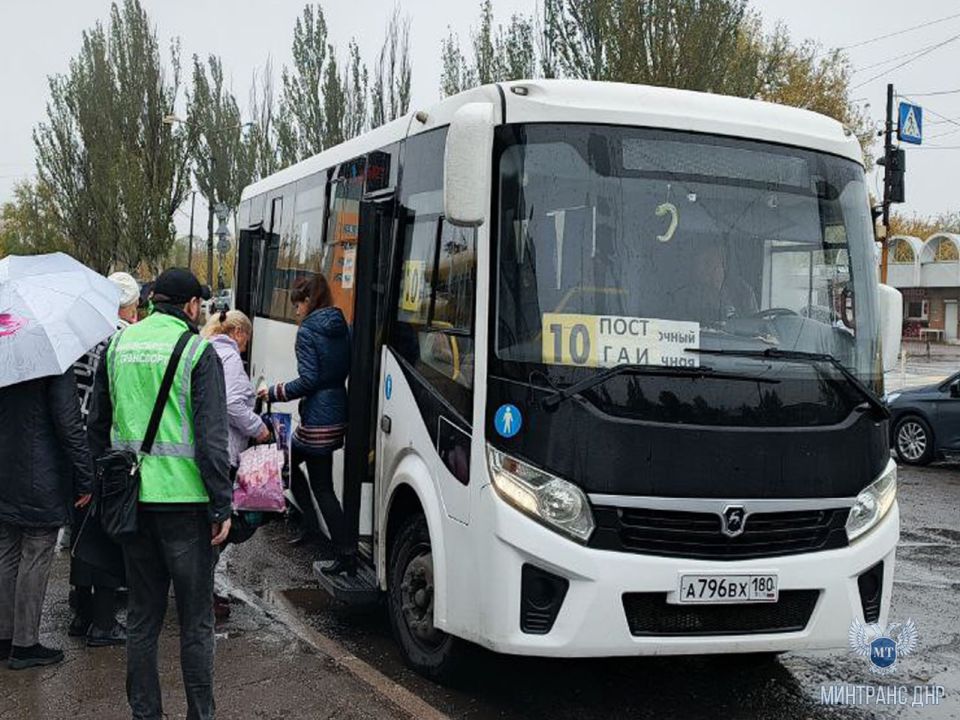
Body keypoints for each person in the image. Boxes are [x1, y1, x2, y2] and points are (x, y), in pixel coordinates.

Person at [87, 267, 232, 720]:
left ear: (152, 300)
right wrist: (222, 504)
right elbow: (211, 442)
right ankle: (199, 715)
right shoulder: (197, 351)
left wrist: (104, 487)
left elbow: (96, 427)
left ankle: (146, 714)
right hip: (186, 507)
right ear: (191, 307)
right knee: (195, 622)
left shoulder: (117, 345)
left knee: (143, 620)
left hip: (133, 503)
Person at [258, 274, 354, 575]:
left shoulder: (308, 331)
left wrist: (274, 391)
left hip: (317, 418)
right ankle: (314, 527)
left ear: (308, 301)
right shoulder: (343, 326)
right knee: (295, 466)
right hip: (337, 408)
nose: (296, 311)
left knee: (316, 482)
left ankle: (343, 551)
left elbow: (310, 379)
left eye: (298, 304)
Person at [0, 370, 93, 669]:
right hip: (42, 475)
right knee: (36, 553)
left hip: (5, 470)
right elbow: (69, 425)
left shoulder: (4, 358)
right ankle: (25, 644)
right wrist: (85, 477)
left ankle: (4, 637)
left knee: (6, 552)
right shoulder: (54, 367)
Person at [69, 271, 141, 647]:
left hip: (71, 441)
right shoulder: (120, 339)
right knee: (108, 531)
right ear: (128, 307)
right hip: (105, 445)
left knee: (79, 527)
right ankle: (102, 620)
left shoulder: (75, 334)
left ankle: (80, 612)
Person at [201, 309, 270, 618]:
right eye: (247, 338)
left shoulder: (206, 349)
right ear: (239, 333)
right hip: (226, 451)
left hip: (210, 449)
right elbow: (230, 403)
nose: (246, 345)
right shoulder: (228, 358)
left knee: (216, 523)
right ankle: (206, 593)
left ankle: (204, 588)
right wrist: (259, 428)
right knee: (227, 523)